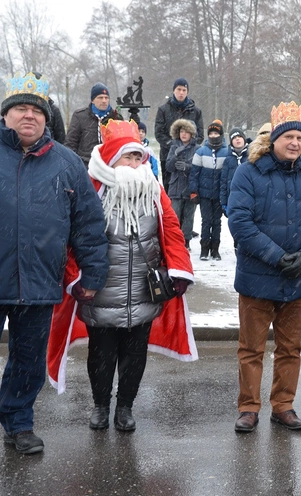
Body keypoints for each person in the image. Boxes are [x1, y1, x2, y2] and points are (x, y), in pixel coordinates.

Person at [0, 72, 109, 454]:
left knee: (28, 360)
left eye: (36, 111)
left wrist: (94, 272)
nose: (28, 116)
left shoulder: (66, 163)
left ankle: (18, 422)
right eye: (20, 109)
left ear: (47, 119)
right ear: (6, 116)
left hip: (40, 281)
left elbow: (89, 224)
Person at [67, 119, 194, 432]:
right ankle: (100, 405)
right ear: (112, 158)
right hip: (101, 291)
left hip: (143, 289)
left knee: (135, 355)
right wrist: (77, 279)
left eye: (139, 157)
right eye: (128, 156)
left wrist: (178, 270)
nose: (135, 163)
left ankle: (125, 407)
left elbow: (172, 231)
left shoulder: (153, 191)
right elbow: (73, 238)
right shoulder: (91, 190)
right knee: (101, 355)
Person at [228, 102, 301, 432]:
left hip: (297, 279)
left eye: (299, 138)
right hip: (258, 278)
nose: (295, 144)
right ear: (273, 139)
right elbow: (240, 222)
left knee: (290, 348)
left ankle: (283, 405)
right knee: (251, 349)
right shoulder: (249, 172)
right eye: (288, 136)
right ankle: (249, 407)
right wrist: (277, 257)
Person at [154, 78, 204, 193]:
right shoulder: (163, 110)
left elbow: (200, 135)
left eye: (184, 90)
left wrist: (188, 147)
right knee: (169, 189)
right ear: (173, 90)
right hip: (168, 156)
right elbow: (159, 133)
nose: (181, 92)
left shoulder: (195, 111)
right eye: (179, 89)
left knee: (188, 190)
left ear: (187, 92)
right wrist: (174, 146)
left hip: (190, 158)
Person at [190, 119, 228, 261]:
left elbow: (228, 174)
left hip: (219, 194)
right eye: (211, 133)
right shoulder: (201, 152)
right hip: (205, 194)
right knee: (206, 221)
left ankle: (215, 249)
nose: (213, 135)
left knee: (217, 222)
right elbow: (194, 174)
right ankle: (204, 248)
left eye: (216, 133)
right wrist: (194, 191)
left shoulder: (226, 152)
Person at [64, 82, 121, 167]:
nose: (104, 101)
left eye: (106, 98)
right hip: (85, 165)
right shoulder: (80, 116)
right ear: (93, 100)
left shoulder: (116, 117)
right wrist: (75, 165)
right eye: (100, 98)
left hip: (109, 165)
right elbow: (71, 143)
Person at [165, 119, 200, 250]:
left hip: (190, 187)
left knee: (188, 217)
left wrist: (187, 167)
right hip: (175, 187)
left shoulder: (198, 149)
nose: (183, 134)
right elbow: (168, 167)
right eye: (181, 131)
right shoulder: (174, 146)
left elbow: (199, 169)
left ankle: (186, 241)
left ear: (192, 133)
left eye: (186, 131)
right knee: (175, 216)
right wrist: (175, 156)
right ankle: (174, 240)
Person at [220, 127, 249, 216]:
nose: (237, 139)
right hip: (232, 199)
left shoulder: (251, 157)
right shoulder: (228, 160)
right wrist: (224, 202)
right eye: (234, 138)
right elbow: (223, 182)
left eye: (239, 136)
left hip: (249, 199)